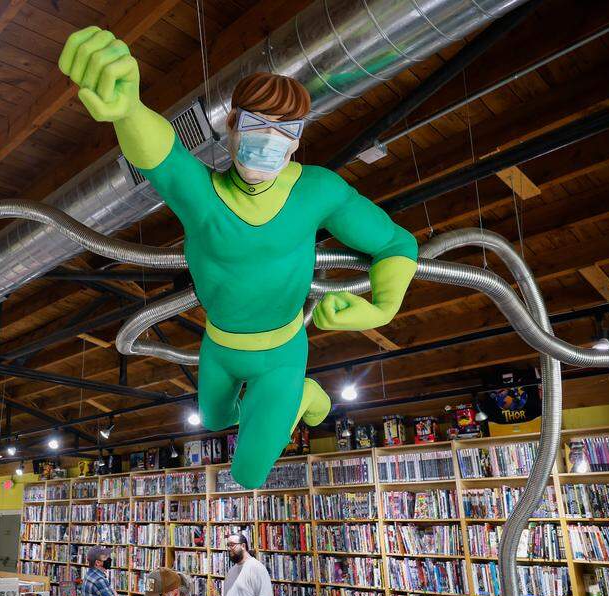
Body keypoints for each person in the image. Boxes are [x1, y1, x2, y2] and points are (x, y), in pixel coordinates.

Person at [58, 27, 417, 489]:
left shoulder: (317, 191)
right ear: (231, 124)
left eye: (286, 130)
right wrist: (128, 110)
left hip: (282, 353)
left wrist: (383, 307)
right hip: (219, 347)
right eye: (256, 123)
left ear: (297, 140)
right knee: (214, 419)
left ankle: (303, 396)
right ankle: (286, 406)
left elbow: (395, 244)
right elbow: (163, 156)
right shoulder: (203, 198)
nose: (270, 139)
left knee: (247, 474)